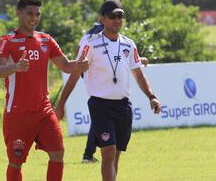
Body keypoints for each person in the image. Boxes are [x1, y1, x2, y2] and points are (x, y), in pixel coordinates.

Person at [55, 0, 161, 181]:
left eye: (120, 16)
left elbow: (138, 74)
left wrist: (151, 96)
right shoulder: (91, 45)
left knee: (116, 154)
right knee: (108, 152)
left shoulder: (129, 44)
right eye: (113, 16)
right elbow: (74, 75)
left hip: (123, 106)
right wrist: (61, 103)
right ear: (102, 18)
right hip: (100, 105)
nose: (117, 20)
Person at [0, 0, 89, 181]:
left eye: (38, 14)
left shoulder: (46, 40)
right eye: (30, 13)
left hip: (44, 111)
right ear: (18, 13)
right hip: (18, 114)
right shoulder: (7, 40)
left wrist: (80, 64)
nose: (34, 18)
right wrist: (15, 67)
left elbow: (67, 66)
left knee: (58, 153)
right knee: (16, 162)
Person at [55, 23, 150, 164]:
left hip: (110, 91)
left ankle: (88, 154)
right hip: (98, 86)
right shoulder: (94, 38)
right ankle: (88, 154)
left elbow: (79, 51)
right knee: (100, 125)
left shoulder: (93, 34)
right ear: (104, 20)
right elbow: (81, 54)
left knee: (99, 126)